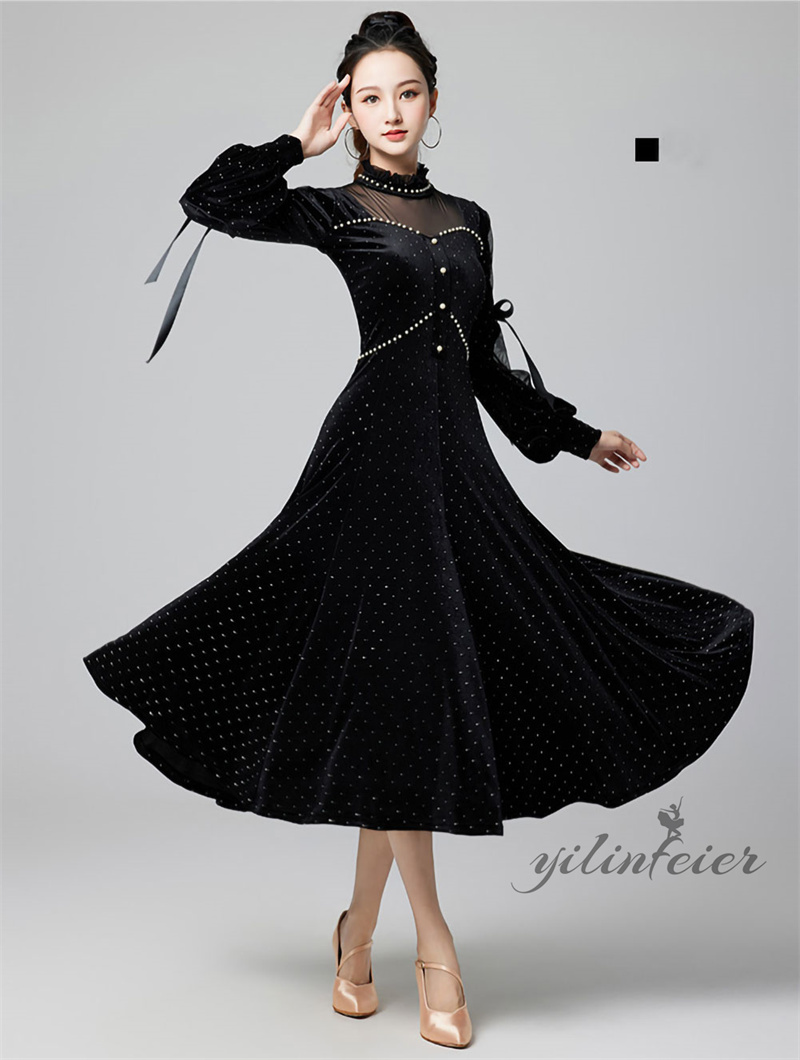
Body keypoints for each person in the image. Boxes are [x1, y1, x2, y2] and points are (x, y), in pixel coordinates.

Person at [82, 11, 755, 1050]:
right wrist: (293, 144)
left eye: (405, 93)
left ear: (432, 100)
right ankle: (434, 943)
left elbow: (483, 364)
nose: (389, 112)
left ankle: (356, 937)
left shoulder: (470, 220)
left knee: (410, 700)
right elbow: (210, 200)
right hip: (370, 467)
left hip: (457, 474)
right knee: (402, 698)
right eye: (369, 98)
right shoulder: (334, 208)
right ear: (348, 110)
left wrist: (578, 436)